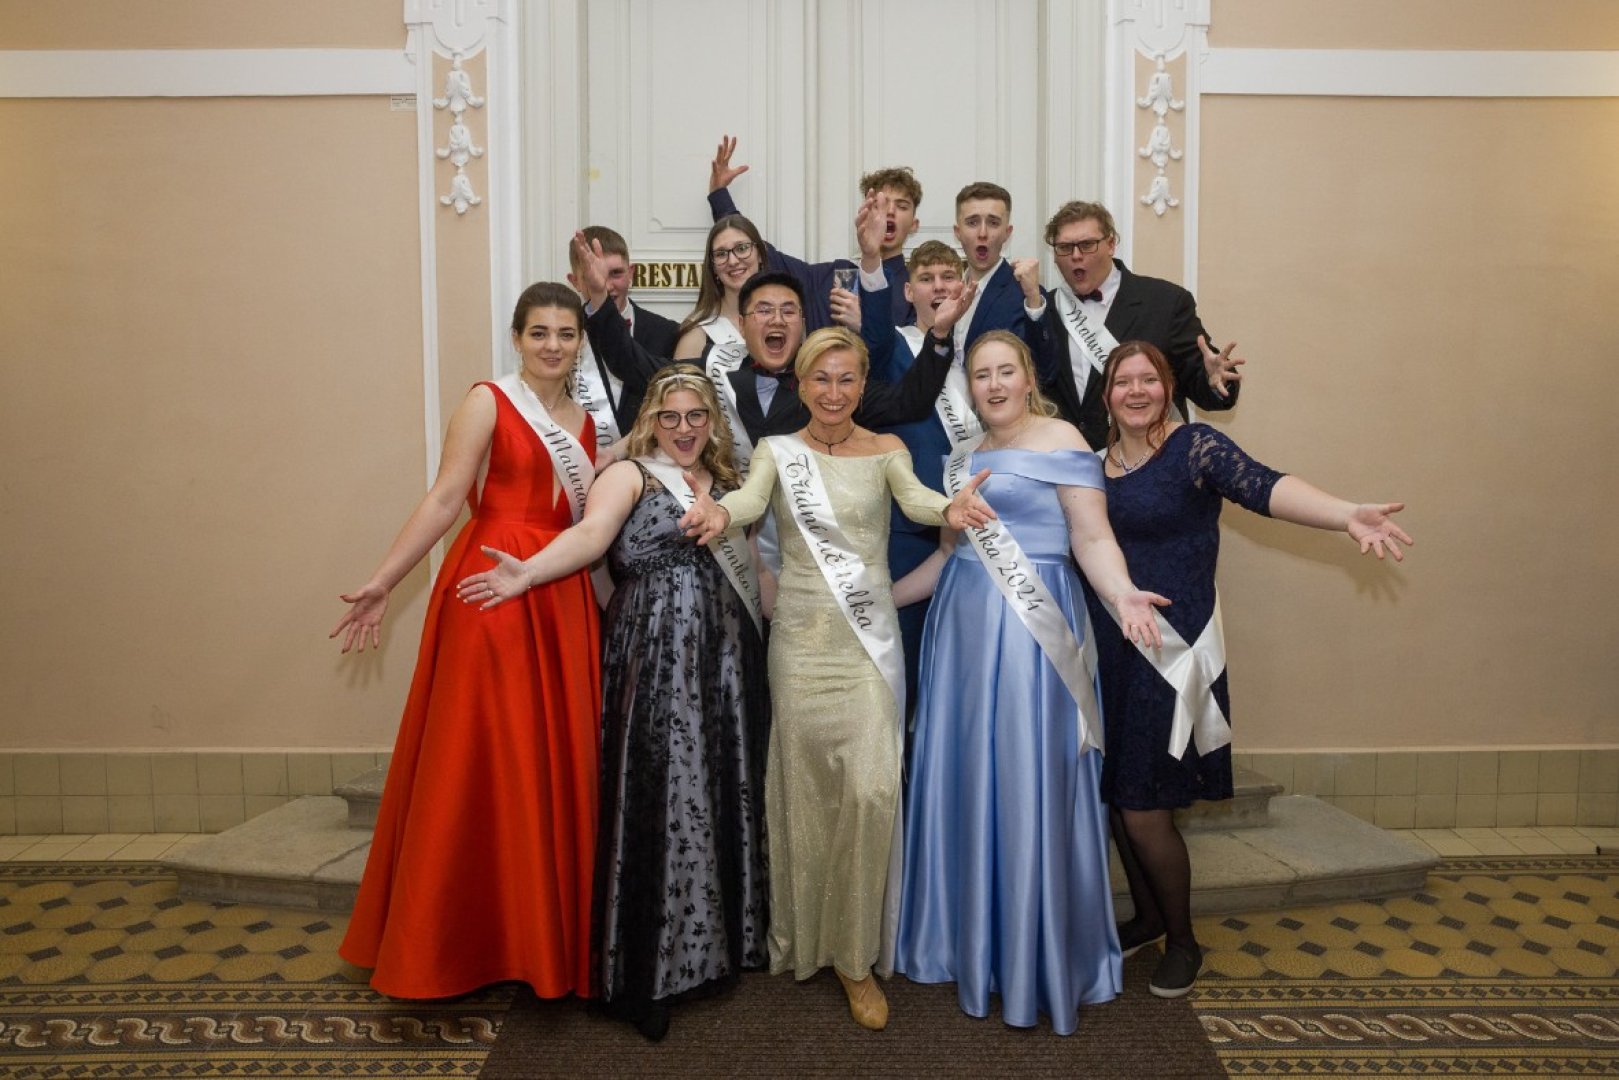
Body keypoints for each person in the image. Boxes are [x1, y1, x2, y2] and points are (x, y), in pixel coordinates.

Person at [679, 328, 997, 1031]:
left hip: (864, 646)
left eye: (846, 378)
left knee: (872, 789)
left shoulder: (886, 449)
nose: (833, 392)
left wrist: (948, 510)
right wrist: (717, 512)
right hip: (799, 643)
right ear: (800, 383)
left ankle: (855, 957)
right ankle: (807, 935)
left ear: (861, 384)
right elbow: (747, 503)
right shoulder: (776, 451)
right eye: (820, 378)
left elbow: (917, 500)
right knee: (806, 791)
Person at [1087, 340, 1412, 998]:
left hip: (1172, 657)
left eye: (1149, 379)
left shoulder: (1195, 447)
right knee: (1119, 797)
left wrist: (1344, 514)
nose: (1136, 391)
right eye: (1123, 381)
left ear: (1167, 387)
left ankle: (1183, 942)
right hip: (1113, 649)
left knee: (1144, 807)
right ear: (1106, 395)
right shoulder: (1094, 467)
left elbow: (1266, 487)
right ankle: (1147, 917)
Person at [456, 366, 769, 1041]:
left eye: (696, 416)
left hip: (722, 662)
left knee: (713, 790)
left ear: (711, 421)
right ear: (650, 421)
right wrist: (528, 572)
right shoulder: (629, 475)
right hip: (654, 658)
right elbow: (591, 538)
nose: (683, 428)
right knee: (662, 794)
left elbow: (758, 574)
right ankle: (644, 976)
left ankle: (712, 951)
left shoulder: (729, 483)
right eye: (670, 416)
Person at [331, 282, 602, 1000]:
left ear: (580, 342)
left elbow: (589, 524)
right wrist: (385, 580)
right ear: (516, 338)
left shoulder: (585, 423)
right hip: (489, 588)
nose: (552, 345)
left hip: (557, 592)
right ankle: (452, 943)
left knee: (542, 759)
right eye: (538, 332)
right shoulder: (488, 400)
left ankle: (536, 937)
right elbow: (447, 497)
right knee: (479, 754)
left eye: (565, 333)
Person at [889, 331, 1166, 1033]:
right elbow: (946, 558)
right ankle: (965, 944)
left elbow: (1091, 538)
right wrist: (877, 601)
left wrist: (1122, 594)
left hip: (1032, 634)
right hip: (962, 631)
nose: (992, 384)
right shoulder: (962, 457)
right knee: (966, 776)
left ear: (1027, 376)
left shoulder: (1062, 439)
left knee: (1025, 775)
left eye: (1004, 371)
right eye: (980, 374)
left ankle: (1032, 953)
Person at [853, 233, 977, 715]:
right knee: (902, 665)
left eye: (948, 276)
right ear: (908, 291)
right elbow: (871, 336)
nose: (939, 286)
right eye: (926, 278)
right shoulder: (891, 348)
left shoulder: (982, 354)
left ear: (964, 286)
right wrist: (871, 262)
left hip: (976, 530)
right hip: (910, 530)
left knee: (959, 667)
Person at [1026, 200, 1244, 449]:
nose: (1076, 255)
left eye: (1087, 244)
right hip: (1067, 459)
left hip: (1148, 458)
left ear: (1111, 244)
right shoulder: (1043, 311)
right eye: (1065, 247)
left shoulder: (1165, 302)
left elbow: (1199, 381)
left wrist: (1212, 379)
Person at [706, 133, 921, 330]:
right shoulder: (838, 275)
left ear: (914, 224)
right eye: (879, 204)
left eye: (901, 206)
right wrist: (719, 196)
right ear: (864, 212)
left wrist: (863, 325)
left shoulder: (918, 286)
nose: (889, 212)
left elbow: (916, 351)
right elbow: (757, 251)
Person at [563, 224, 681, 444]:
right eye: (592, 275)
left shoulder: (667, 332)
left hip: (648, 456)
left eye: (616, 273)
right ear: (575, 281)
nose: (606, 286)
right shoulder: (560, 336)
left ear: (631, 273)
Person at [951, 181, 1042, 352]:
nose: (982, 233)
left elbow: (1043, 365)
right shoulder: (945, 290)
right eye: (972, 223)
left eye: (993, 223)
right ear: (958, 232)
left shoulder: (1027, 295)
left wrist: (1034, 301)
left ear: (1007, 233)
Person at [672, 214, 766, 362]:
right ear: (713, 266)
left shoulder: (785, 320)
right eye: (721, 254)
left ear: (759, 254)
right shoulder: (696, 335)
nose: (733, 261)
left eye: (742, 248)